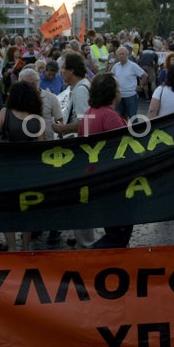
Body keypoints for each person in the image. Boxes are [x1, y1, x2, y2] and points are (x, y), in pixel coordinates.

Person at [0, 81, 45, 251]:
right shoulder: (37, 119)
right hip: (29, 171)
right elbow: (41, 148)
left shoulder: (5, 113)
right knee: (26, 209)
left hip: (5, 169)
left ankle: (12, 247)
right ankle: (25, 247)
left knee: (7, 209)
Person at [78, 73, 133, 249]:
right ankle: (88, 260)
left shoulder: (89, 113)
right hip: (113, 180)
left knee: (114, 232)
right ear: (112, 93)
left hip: (95, 177)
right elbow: (122, 149)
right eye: (117, 88)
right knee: (118, 236)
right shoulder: (110, 117)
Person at [110, 46, 147, 120]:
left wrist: (141, 86)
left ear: (127, 55)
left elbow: (144, 75)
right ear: (117, 55)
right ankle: (124, 131)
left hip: (131, 95)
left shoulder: (133, 65)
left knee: (133, 117)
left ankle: (135, 131)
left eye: (123, 54)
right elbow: (111, 78)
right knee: (120, 118)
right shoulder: (115, 67)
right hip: (119, 96)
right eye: (120, 54)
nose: (121, 56)